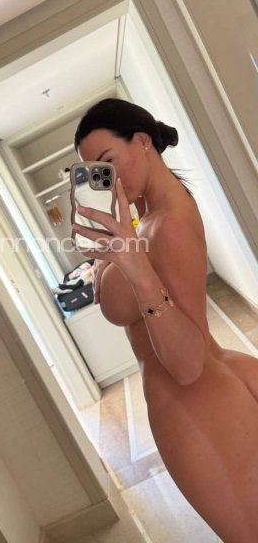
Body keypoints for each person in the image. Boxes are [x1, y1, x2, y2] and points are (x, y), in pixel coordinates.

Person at [72, 98, 258, 543]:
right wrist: (112, 248)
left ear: (142, 142)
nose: (107, 178)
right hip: (215, 386)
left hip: (196, 406)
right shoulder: (153, 215)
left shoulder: (166, 224)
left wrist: (135, 270)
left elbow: (187, 365)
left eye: (108, 162)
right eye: (96, 172)